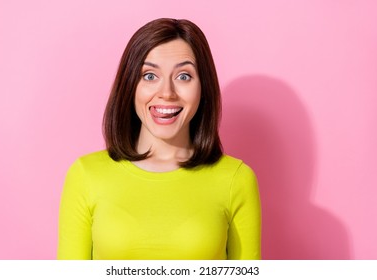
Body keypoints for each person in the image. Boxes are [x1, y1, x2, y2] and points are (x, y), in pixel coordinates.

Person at [57, 18, 261, 260]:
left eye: (184, 76)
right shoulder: (85, 175)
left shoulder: (236, 179)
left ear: (203, 87)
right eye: (150, 76)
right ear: (129, 86)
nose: (166, 93)